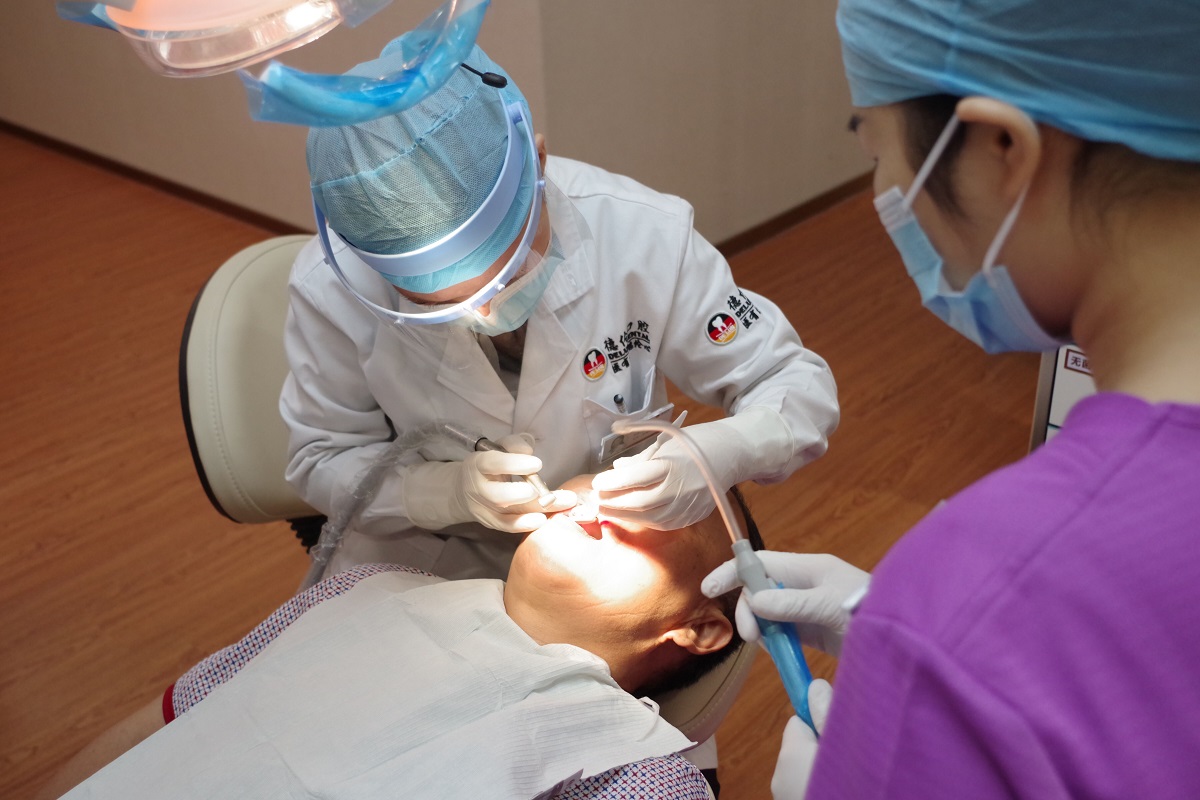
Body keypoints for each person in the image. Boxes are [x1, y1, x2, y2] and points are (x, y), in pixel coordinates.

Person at [705, 1, 1200, 797]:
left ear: (1001, 149)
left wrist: (935, 652)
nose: (884, 191)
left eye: (876, 149)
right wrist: (896, 624)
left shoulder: (978, 595)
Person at [282, 37, 839, 582]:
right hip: (435, 562)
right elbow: (320, 458)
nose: (486, 310)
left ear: (539, 164)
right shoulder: (330, 287)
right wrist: (441, 494)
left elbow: (795, 384)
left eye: (507, 271)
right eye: (440, 304)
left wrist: (721, 452)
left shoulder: (642, 233)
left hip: (626, 543)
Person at [36, 479, 761, 799]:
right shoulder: (369, 588)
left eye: (666, 511)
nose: (610, 499)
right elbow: (172, 718)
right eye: (616, 479)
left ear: (700, 626)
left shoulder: (635, 776)